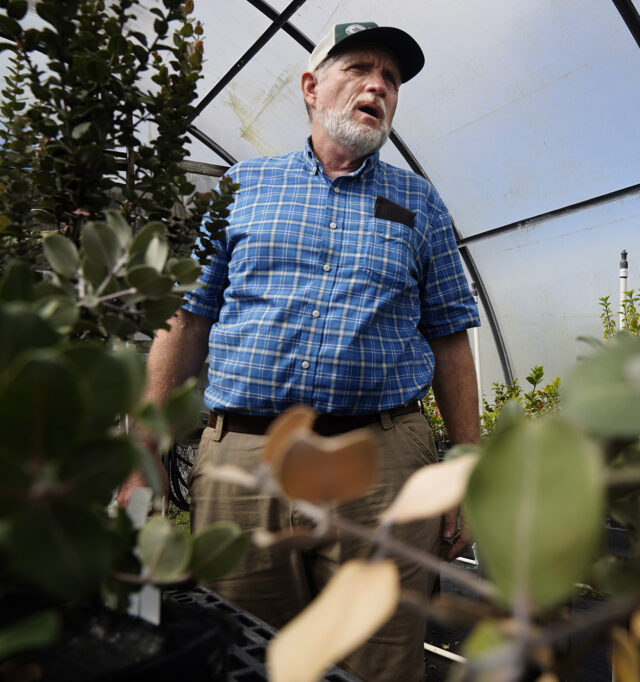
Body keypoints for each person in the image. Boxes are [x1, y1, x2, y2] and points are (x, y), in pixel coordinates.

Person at [117, 21, 480, 681]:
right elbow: (188, 321)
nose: (378, 86)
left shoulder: (419, 203)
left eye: (391, 80)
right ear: (312, 88)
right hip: (247, 462)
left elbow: (451, 330)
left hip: (384, 465)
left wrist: (462, 467)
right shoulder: (241, 189)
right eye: (360, 69)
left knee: (380, 663)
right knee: (247, 653)